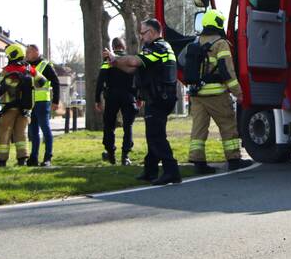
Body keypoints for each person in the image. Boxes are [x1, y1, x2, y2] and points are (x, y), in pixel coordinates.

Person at [104, 18, 181, 185]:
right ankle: (150, 170)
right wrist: (115, 63)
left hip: (160, 97)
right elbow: (132, 68)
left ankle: (171, 170)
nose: (141, 36)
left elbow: (133, 61)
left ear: (152, 33)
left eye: (143, 33)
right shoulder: (154, 48)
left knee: (156, 135)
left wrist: (114, 57)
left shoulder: (159, 47)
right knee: (152, 134)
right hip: (158, 96)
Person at [184, 9, 252, 173]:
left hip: (197, 95)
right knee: (228, 126)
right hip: (216, 95)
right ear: (218, 23)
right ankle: (234, 160)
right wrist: (238, 92)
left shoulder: (196, 42)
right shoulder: (220, 43)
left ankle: (198, 163)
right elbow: (227, 71)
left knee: (198, 129)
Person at [0, 43, 36, 167]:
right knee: (21, 134)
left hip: (10, 109)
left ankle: (2, 161)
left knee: (4, 134)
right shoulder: (29, 70)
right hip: (25, 110)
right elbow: (42, 82)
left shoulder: (8, 71)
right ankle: (22, 159)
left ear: (11, 55)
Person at [96, 37, 137, 165]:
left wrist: (97, 99)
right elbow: (137, 79)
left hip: (112, 96)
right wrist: (139, 97)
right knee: (127, 126)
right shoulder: (129, 60)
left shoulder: (108, 61)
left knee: (109, 126)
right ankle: (125, 156)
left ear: (113, 47)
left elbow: (100, 81)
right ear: (123, 46)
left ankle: (111, 153)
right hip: (128, 95)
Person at [25, 44, 61, 167]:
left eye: (28, 52)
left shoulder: (45, 65)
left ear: (35, 52)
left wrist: (56, 101)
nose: (26, 54)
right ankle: (33, 157)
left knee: (45, 129)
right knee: (33, 131)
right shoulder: (27, 66)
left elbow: (56, 82)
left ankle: (47, 157)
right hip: (31, 103)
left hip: (42, 103)